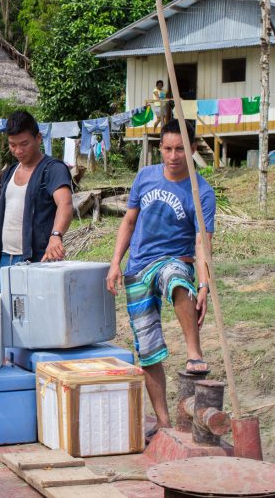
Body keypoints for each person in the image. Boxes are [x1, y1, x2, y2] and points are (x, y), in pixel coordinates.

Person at [105, 119, 215, 439]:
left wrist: (204, 284)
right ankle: (164, 422)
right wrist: (115, 263)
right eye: (167, 148)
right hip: (138, 266)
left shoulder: (201, 192)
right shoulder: (146, 176)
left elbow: (202, 243)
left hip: (173, 260)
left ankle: (194, 353)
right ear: (160, 148)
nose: (173, 155)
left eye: (180, 149)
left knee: (177, 279)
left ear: (193, 150)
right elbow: (128, 222)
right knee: (148, 349)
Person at [0, 111, 73, 294]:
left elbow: (65, 204)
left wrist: (56, 235)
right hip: (5, 260)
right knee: (7, 317)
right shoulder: (9, 172)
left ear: (38, 138)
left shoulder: (53, 169)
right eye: (12, 145)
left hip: (36, 260)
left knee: (35, 317)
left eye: (24, 144)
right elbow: (2, 219)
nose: (18, 151)